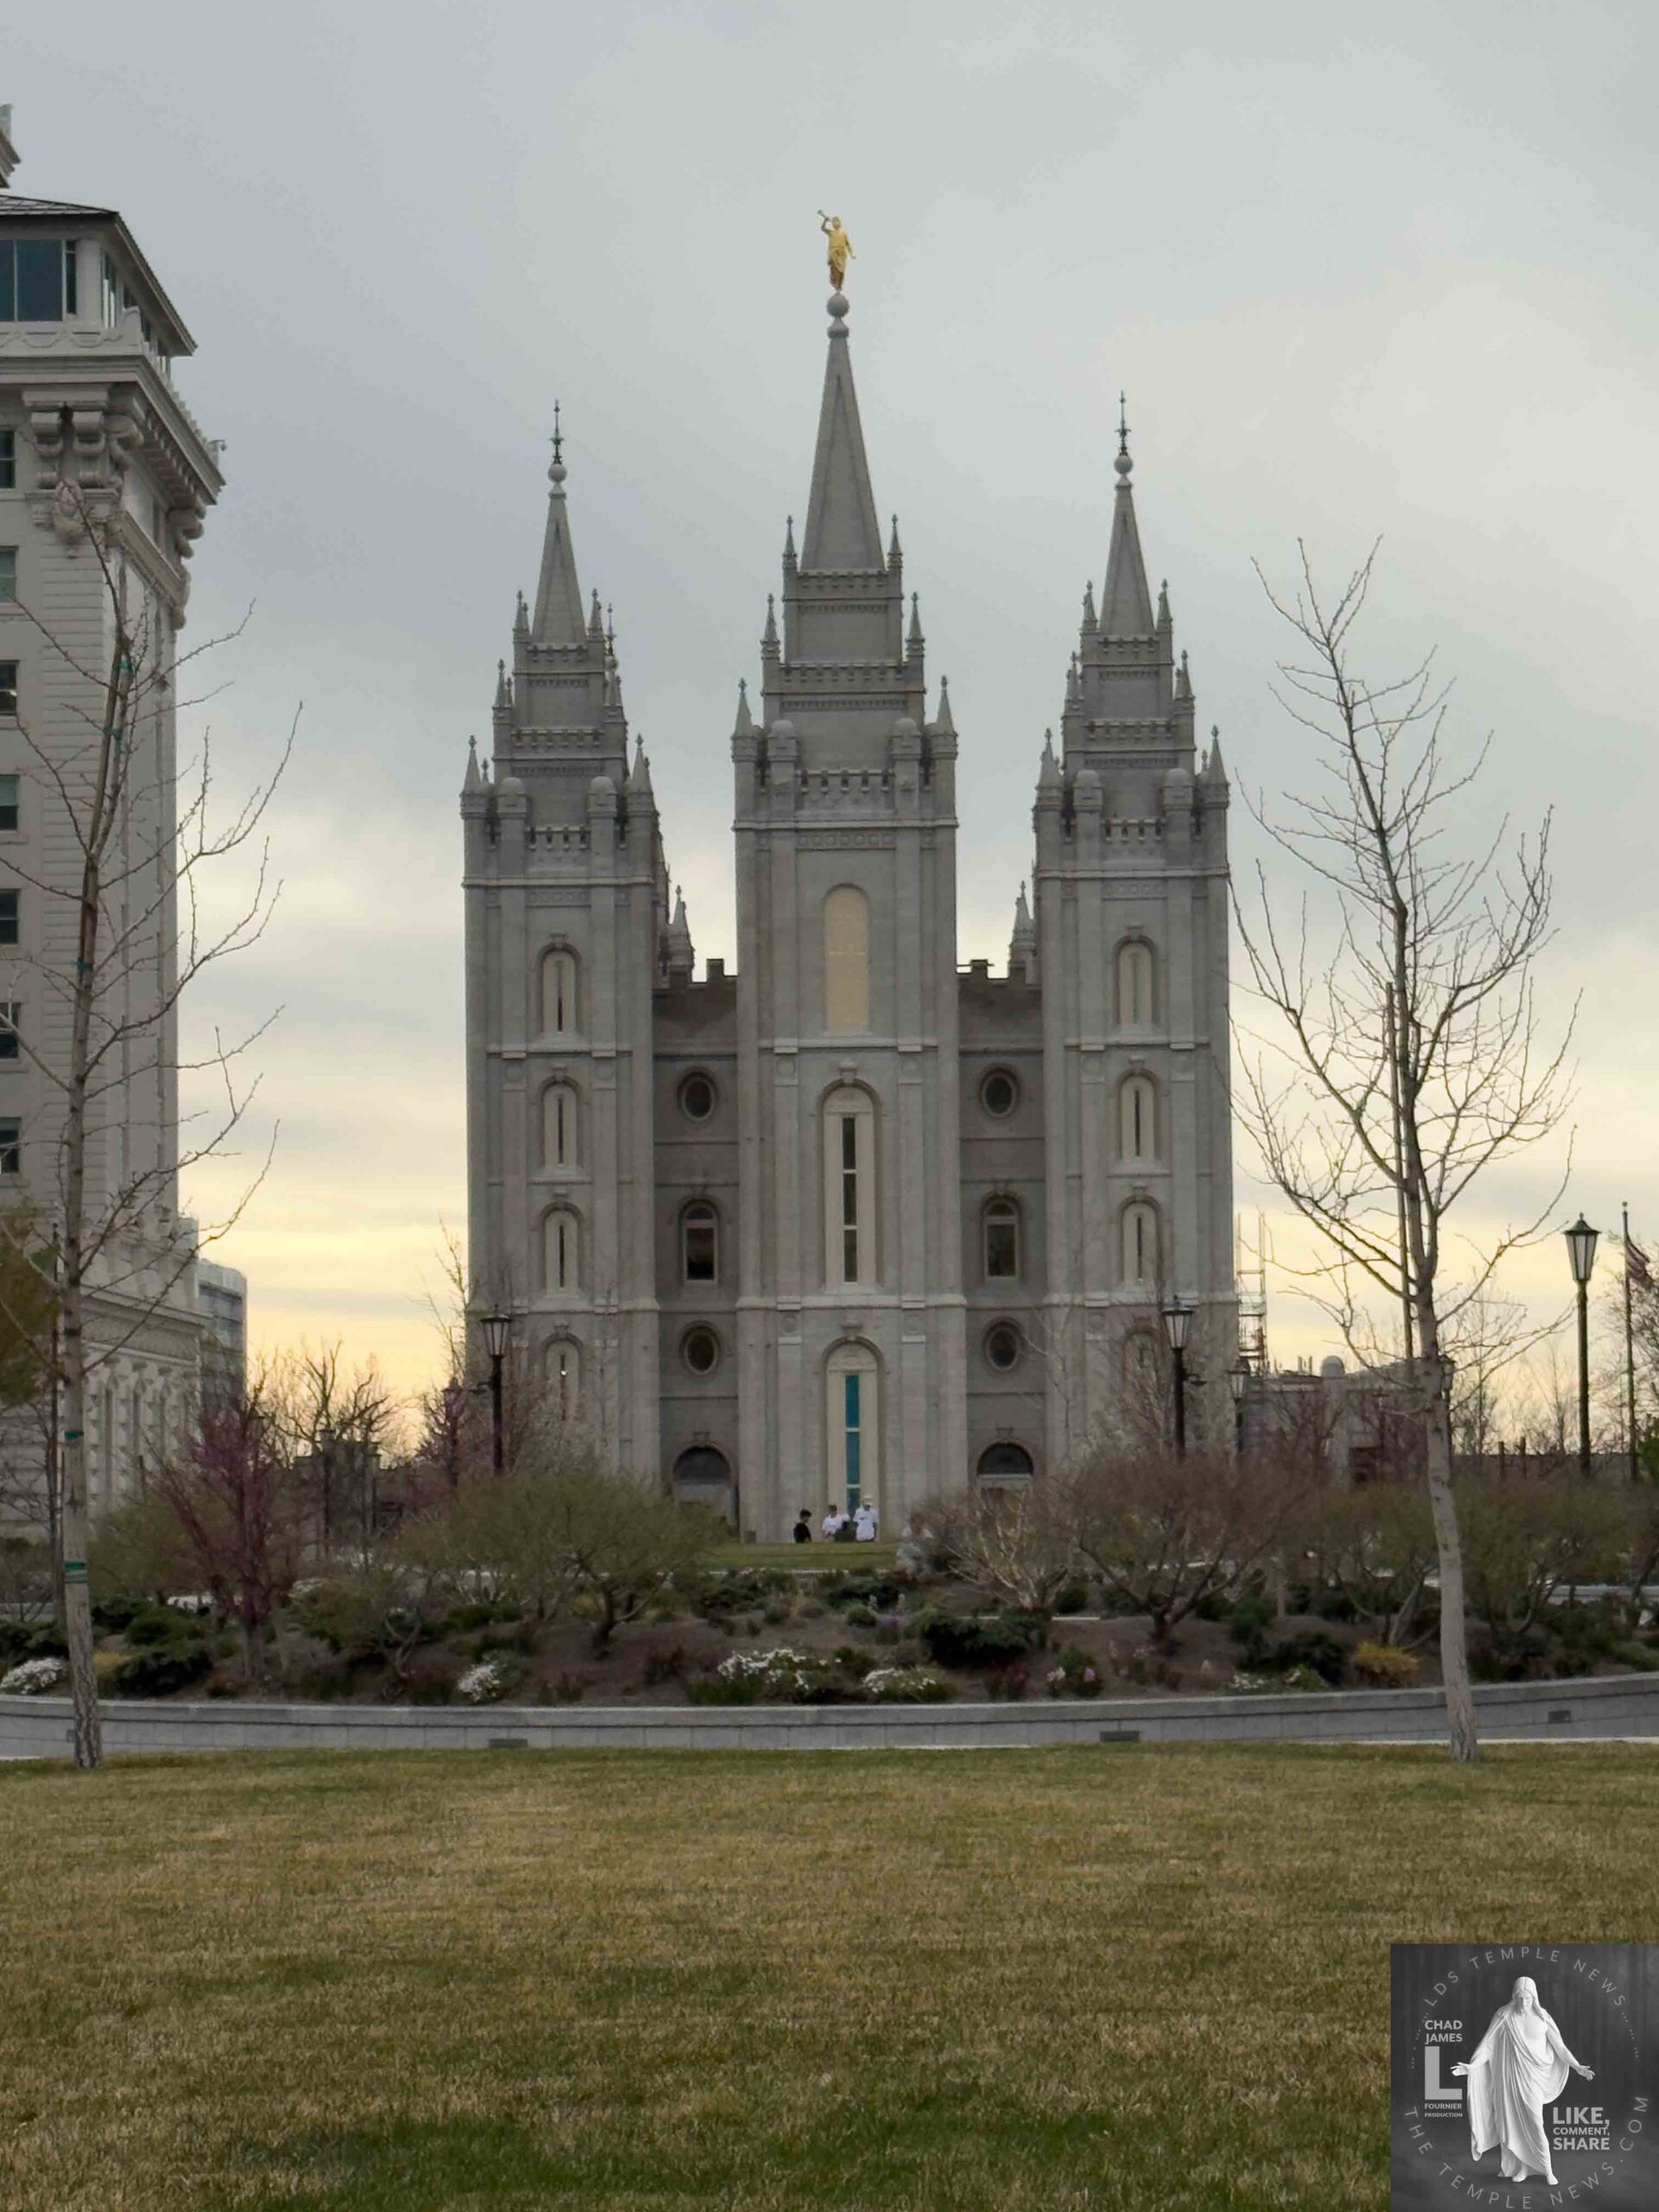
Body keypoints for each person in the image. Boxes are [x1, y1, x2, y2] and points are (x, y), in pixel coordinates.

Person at [1452, 1976, 1594, 2187]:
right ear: (1514, 1997)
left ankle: (1547, 2169)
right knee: (1514, 2124)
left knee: (1536, 2123)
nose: (1524, 2003)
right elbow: (1488, 2047)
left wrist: (1577, 2066)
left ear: (1534, 1998)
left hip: (1534, 2080)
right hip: (1510, 2080)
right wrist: (1471, 2067)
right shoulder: (1504, 2017)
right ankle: (1523, 2168)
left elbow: (1560, 2048)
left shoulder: (1543, 2018)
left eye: (1528, 1998)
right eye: (1520, 1998)